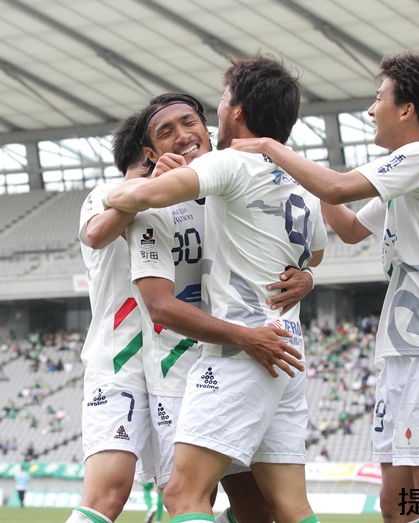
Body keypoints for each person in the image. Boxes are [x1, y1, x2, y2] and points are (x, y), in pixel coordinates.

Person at [230, 50, 419, 523]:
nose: (371, 110)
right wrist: (306, 180)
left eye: (379, 98)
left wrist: (268, 146)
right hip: (405, 353)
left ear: (406, 109)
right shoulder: (409, 175)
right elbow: (347, 227)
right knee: (396, 504)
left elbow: (337, 188)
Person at [106, 53, 326, 523]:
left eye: (221, 101)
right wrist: (306, 274)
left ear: (236, 111)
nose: (216, 110)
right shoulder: (299, 180)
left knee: (184, 494)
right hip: (287, 349)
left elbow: (139, 196)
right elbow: (318, 252)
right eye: (167, 130)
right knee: (287, 506)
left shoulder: (229, 165)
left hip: (242, 348)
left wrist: (111, 193)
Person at [66, 114, 153, 523]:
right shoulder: (105, 194)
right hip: (121, 363)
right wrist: (149, 188)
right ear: (149, 152)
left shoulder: (187, 204)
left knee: (188, 494)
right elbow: (97, 234)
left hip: (177, 365)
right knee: (107, 497)